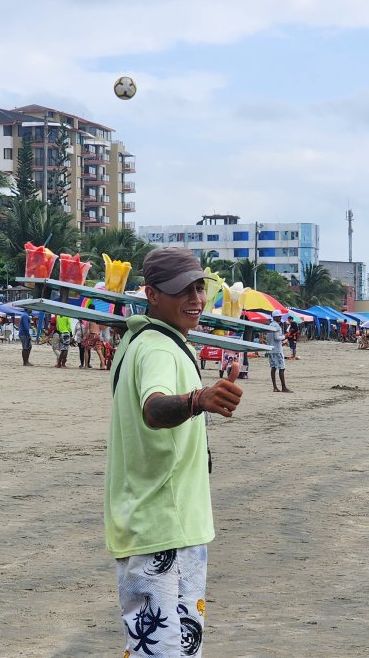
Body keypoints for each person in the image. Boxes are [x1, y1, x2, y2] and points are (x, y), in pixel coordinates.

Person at [105, 247, 243, 657]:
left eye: (199, 288)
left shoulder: (141, 340)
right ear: (151, 294)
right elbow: (154, 407)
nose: (195, 300)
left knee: (158, 648)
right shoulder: (159, 349)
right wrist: (197, 400)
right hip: (164, 529)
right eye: (182, 290)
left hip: (150, 523)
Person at [267, 310, 292, 393]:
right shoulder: (276, 326)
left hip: (270, 349)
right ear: (275, 317)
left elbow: (269, 338)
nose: (280, 317)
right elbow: (277, 338)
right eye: (279, 316)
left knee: (273, 367)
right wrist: (285, 336)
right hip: (277, 349)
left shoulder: (270, 325)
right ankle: (283, 387)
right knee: (282, 368)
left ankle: (275, 387)